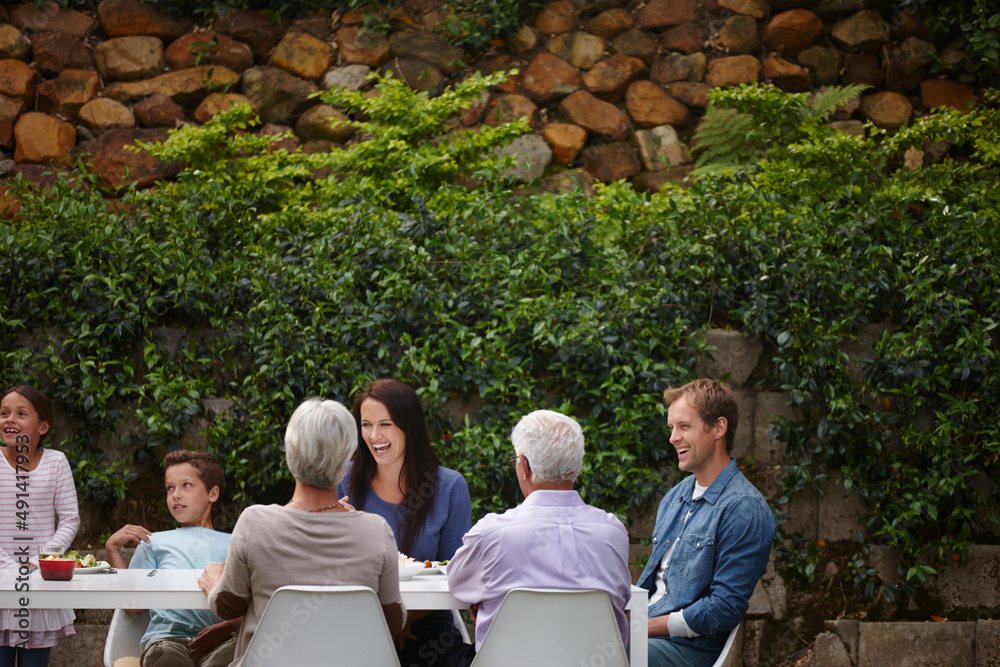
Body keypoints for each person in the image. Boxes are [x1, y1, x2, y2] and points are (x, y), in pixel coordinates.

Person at [198, 398, 404, 667]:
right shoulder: (376, 531)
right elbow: (393, 622)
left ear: (290, 453)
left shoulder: (254, 523)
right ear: (345, 460)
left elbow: (228, 607)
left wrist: (214, 582)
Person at [442, 409, 632, 667]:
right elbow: (619, 599)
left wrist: (488, 600)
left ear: (525, 465)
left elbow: (458, 586)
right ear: (577, 466)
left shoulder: (491, 533)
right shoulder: (613, 532)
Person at [638, 379, 775, 667]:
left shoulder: (744, 508)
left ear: (718, 428)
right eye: (671, 428)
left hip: (689, 649)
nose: (673, 437)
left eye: (684, 426)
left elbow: (723, 609)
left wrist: (640, 627)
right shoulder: (675, 497)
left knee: (596, 656)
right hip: (644, 632)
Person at [337, 378, 472, 666]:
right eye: (366, 424)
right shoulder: (342, 481)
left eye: (385, 424)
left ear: (408, 426)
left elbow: (454, 576)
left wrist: (402, 620)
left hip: (426, 631)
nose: (374, 436)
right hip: (355, 629)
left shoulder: (449, 487)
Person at [105, 450, 237, 667]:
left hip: (222, 642)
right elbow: (133, 606)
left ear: (212, 494)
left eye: (186, 485)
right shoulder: (153, 542)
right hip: (166, 641)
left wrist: (228, 628)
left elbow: (251, 607)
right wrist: (112, 549)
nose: (176, 494)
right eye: (170, 488)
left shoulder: (235, 543)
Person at [0, 385, 80, 667]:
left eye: (21, 414)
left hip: (37, 582)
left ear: (43, 426)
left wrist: (38, 562)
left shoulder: (56, 462)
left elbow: (70, 518)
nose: (9, 419)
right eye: (4, 413)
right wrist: (9, 568)